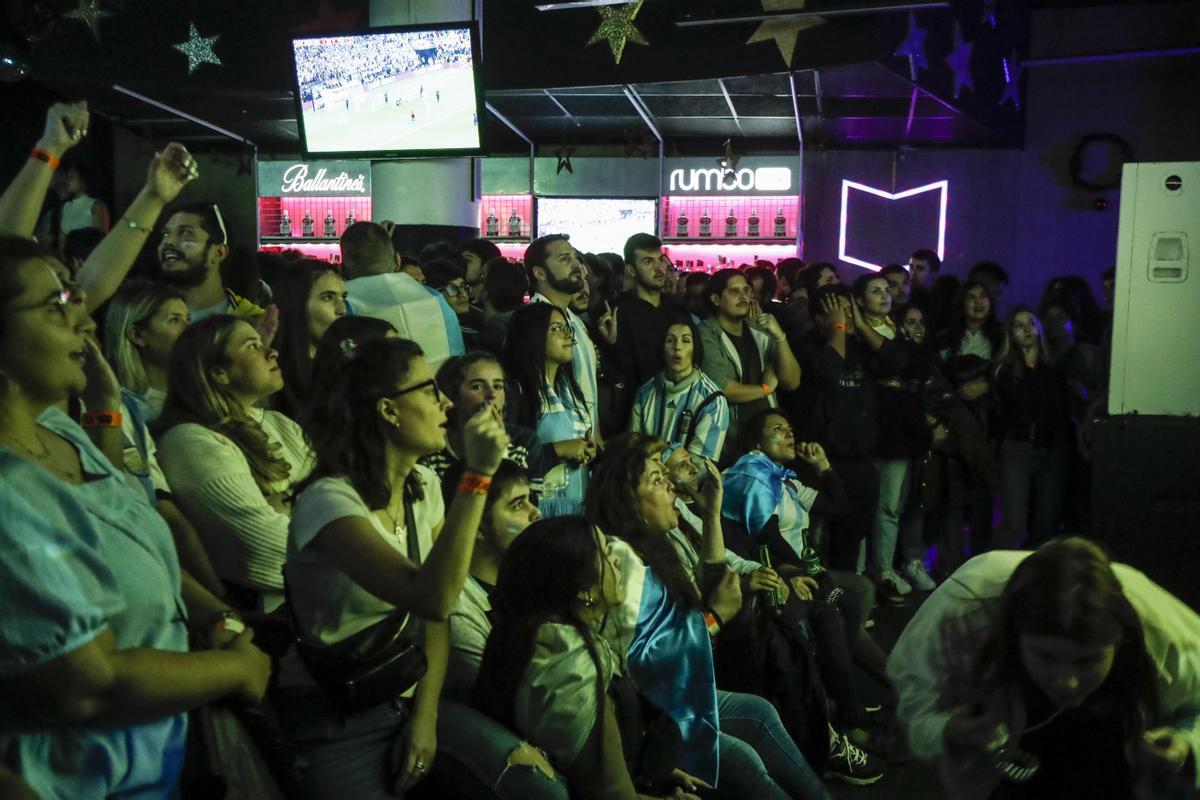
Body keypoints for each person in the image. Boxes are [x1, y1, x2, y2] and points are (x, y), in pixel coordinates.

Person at [0, 236, 270, 799]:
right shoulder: (9, 490)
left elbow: (136, 542)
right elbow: (86, 687)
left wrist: (218, 620)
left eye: (74, 300)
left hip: (160, 757)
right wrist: (237, 671)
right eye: (57, 308)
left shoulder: (59, 433)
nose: (82, 320)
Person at [277, 335, 510, 800]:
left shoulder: (422, 485)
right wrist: (477, 476)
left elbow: (434, 621)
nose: (445, 401)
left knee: (530, 782)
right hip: (339, 718)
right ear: (388, 411)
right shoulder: (329, 502)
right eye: (428, 390)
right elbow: (433, 595)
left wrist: (425, 718)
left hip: (411, 694)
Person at [585, 438, 834, 799]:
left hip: (677, 693)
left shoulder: (657, 541)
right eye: (657, 479)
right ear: (628, 501)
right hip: (651, 712)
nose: (671, 483)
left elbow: (711, 580)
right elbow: (656, 661)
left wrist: (712, 513)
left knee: (759, 711)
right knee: (744, 758)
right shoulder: (621, 561)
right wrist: (716, 617)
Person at [888, 538, 1200, 800]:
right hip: (1003, 759)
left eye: (1087, 660)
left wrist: (1186, 745)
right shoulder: (964, 609)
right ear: (1015, 635)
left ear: (1119, 643)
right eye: (1046, 657)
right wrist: (948, 731)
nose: (1068, 682)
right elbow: (912, 702)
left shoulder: (1156, 627)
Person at [475, 515, 731, 800]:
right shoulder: (572, 666)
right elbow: (610, 793)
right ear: (582, 589)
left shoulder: (539, 637)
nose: (618, 561)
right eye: (607, 554)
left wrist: (656, 770)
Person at [155, 315, 314, 612]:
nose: (272, 352)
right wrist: (350, 547)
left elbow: (346, 497)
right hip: (282, 616)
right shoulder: (189, 442)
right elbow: (265, 545)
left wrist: (284, 502)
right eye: (253, 346)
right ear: (218, 373)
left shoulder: (278, 424)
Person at [697, 268, 801, 461]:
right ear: (716, 299)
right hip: (730, 443)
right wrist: (766, 388)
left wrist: (779, 337)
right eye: (734, 291)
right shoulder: (706, 334)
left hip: (768, 443)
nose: (744, 296)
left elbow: (792, 381)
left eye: (746, 290)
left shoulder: (758, 330)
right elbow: (724, 390)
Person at [991, 307, 1074, 550]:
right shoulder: (1005, 371)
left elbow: (1059, 412)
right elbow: (1018, 403)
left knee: (1046, 526)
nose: (1026, 329)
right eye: (1018, 325)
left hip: (1051, 450)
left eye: (1030, 323)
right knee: (1013, 524)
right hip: (1018, 449)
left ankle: (1033, 581)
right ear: (1010, 333)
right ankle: (984, 579)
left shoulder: (1054, 369)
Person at [503, 302, 592, 517]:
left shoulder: (570, 390)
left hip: (577, 508)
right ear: (532, 336)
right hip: (537, 513)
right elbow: (505, 464)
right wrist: (557, 451)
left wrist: (588, 451)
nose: (567, 335)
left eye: (567, 328)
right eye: (556, 329)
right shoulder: (515, 392)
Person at [525, 233, 616, 436]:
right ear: (540, 273)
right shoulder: (532, 323)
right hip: (555, 447)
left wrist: (596, 437)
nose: (575, 264)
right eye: (564, 259)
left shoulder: (575, 321)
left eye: (574, 257)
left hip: (583, 448)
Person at [340, 221, 464, 368]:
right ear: (397, 260)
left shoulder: (342, 304)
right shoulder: (436, 298)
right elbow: (458, 360)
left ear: (342, 269)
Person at [422, 352, 546, 490]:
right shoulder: (432, 449)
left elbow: (525, 506)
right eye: (477, 387)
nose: (492, 394)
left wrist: (500, 454)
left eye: (498, 386)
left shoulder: (525, 443)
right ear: (453, 396)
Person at [630, 319, 730, 463]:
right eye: (670, 340)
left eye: (686, 341)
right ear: (662, 350)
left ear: (696, 349)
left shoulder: (713, 400)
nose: (677, 347)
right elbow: (634, 447)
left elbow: (699, 468)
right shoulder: (645, 392)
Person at [271, 259, 348, 420]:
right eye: (328, 298)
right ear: (296, 303)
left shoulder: (347, 364)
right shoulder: (273, 371)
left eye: (343, 298)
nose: (342, 310)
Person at [614, 233, 675, 393]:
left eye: (661, 259)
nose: (659, 268)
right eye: (648, 261)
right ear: (631, 270)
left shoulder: (675, 308)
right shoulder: (619, 312)